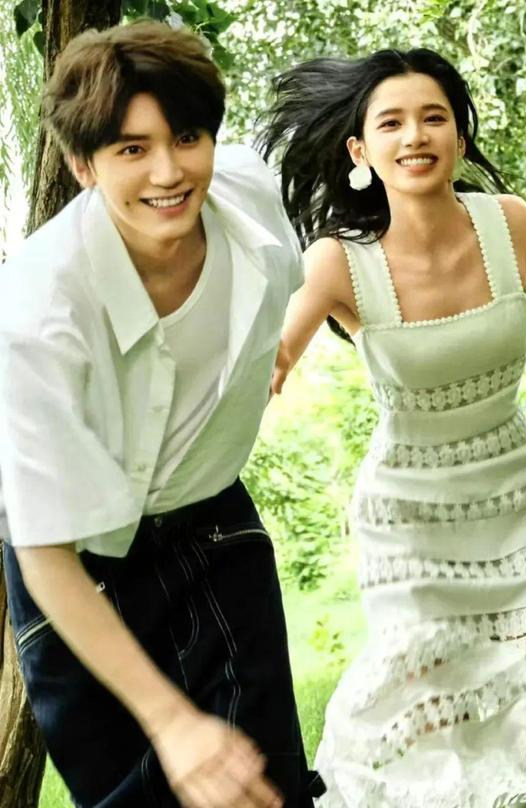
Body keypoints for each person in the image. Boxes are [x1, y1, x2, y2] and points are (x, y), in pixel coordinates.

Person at [260, 48, 526, 807]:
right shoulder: (339, 262)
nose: (415, 135)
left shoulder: (506, 224)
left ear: (460, 138)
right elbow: (275, 358)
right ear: (360, 152)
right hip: (409, 511)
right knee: (419, 697)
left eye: (433, 117)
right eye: (392, 123)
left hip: (518, 494)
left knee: (518, 692)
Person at [0, 20, 325, 808]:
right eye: (131, 149)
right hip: (77, 565)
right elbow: (44, 549)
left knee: (263, 787)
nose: (169, 172)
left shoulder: (254, 209)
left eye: (186, 137)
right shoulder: (38, 310)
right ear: (83, 166)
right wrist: (171, 722)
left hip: (212, 524)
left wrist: (272, 351)